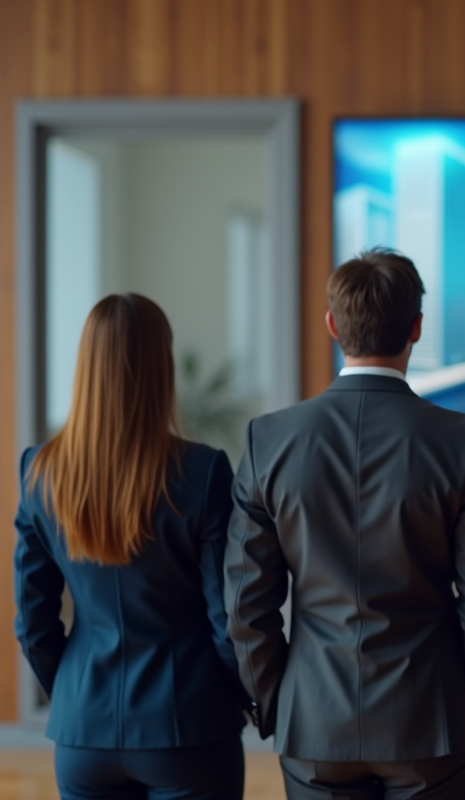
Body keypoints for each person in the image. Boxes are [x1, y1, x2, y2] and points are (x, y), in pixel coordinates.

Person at [224, 248, 465, 800]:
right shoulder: (464, 440)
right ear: (418, 328)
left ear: (333, 325)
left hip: (313, 723)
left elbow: (245, 605)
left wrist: (278, 703)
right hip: (432, 720)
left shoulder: (268, 441)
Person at [14, 294, 247, 800]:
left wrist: (76, 697)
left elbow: (32, 622)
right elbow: (225, 619)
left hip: (83, 734)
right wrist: (240, 697)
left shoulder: (40, 473)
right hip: (188, 725)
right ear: (161, 367)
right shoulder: (202, 473)